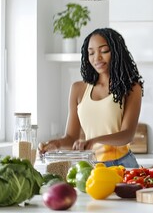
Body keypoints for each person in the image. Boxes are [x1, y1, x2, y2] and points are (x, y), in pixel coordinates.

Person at [39, 28, 144, 168]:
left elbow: (127, 135)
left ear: (117, 53)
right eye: (91, 53)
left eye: (104, 51)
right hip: (91, 167)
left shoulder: (131, 88)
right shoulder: (78, 89)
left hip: (123, 165)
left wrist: (94, 141)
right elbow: (71, 138)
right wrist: (56, 144)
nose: (97, 58)